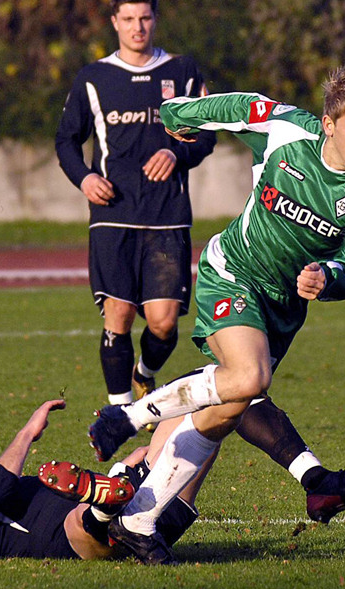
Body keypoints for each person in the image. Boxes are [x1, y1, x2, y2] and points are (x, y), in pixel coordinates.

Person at [88, 63, 345, 563]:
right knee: (249, 377)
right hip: (231, 272)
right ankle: (126, 416)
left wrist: (328, 275)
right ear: (329, 123)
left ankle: (140, 520)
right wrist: (181, 113)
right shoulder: (285, 131)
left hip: (280, 312)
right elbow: (236, 107)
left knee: (223, 411)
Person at [55, 0, 216, 406]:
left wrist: (177, 154)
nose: (137, 27)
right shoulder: (94, 78)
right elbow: (66, 141)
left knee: (163, 325)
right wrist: (85, 177)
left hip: (167, 216)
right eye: (128, 19)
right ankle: (120, 413)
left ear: (155, 20)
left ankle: (145, 373)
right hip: (112, 216)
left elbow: (207, 134)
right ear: (115, 22)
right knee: (119, 316)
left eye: (144, 18)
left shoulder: (182, 72)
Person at [0, 400, 213, 564]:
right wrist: (26, 433)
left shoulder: (7, 481)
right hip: (81, 538)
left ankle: (111, 496)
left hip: (147, 516)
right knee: (77, 518)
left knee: (202, 406)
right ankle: (104, 506)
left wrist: (124, 468)